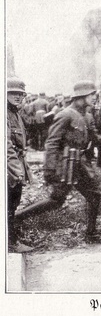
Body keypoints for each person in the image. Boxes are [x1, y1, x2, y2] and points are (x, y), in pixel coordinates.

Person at [15, 81, 101, 244]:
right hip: (64, 164)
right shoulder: (65, 114)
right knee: (56, 201)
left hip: (79, 165)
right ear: (81, 97)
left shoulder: (87, 116)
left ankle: (91, 234)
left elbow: (96, 139)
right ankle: (15, 219)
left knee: (94, 195)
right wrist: (50, 169)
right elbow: (51, 142)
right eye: (91, 95)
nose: (95, 98)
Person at [7, 77, 34, 253]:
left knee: (13, 204)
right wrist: (17, 170)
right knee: (8, 204)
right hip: (9, 168)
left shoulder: (15, 113)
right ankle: (11, 242)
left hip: (16, 163)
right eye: (13, 93)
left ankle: (11, 238)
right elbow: (6, 145)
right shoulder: (5, 114)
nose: (18, 97)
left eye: (20, 94)